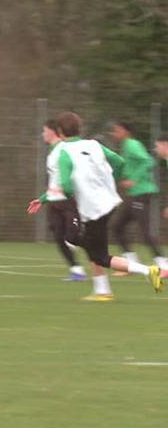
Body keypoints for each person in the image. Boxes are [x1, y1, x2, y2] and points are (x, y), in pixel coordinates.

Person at [27, 112, 163, 301]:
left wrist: (68, 195)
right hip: (109, 202)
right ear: (79, 128)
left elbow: (64, 185)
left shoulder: (63, 153)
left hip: (93, 210)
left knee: (94, 252)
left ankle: (149, 271)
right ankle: (102, 289)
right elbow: (119, 162)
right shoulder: (93, 144)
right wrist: (111, 180)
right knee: (89, 246)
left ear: (59, 131)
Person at [28, 119, 86, 282]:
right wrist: (42, 199)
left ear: (52, 131)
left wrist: (73, 193)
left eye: (44, 130)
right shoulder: (52, 151)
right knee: (59, 236)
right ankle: (77, 270)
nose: (42, 134)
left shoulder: (64, 149)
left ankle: (100, 253)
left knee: (72, 237)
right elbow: (55, 182)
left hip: (68, 201)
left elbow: (73, 176)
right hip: (54, 203)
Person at [109, 121, 167, 271]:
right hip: (134, 195)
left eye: (117, 130)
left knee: (145, 232)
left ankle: (163, 264)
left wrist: (134, 179)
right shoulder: (126, 146)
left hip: (141, 193)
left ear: (125, 131)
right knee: (116, 226)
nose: (114, 133)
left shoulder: (132, 144)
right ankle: (131, 263)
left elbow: (148, 161)